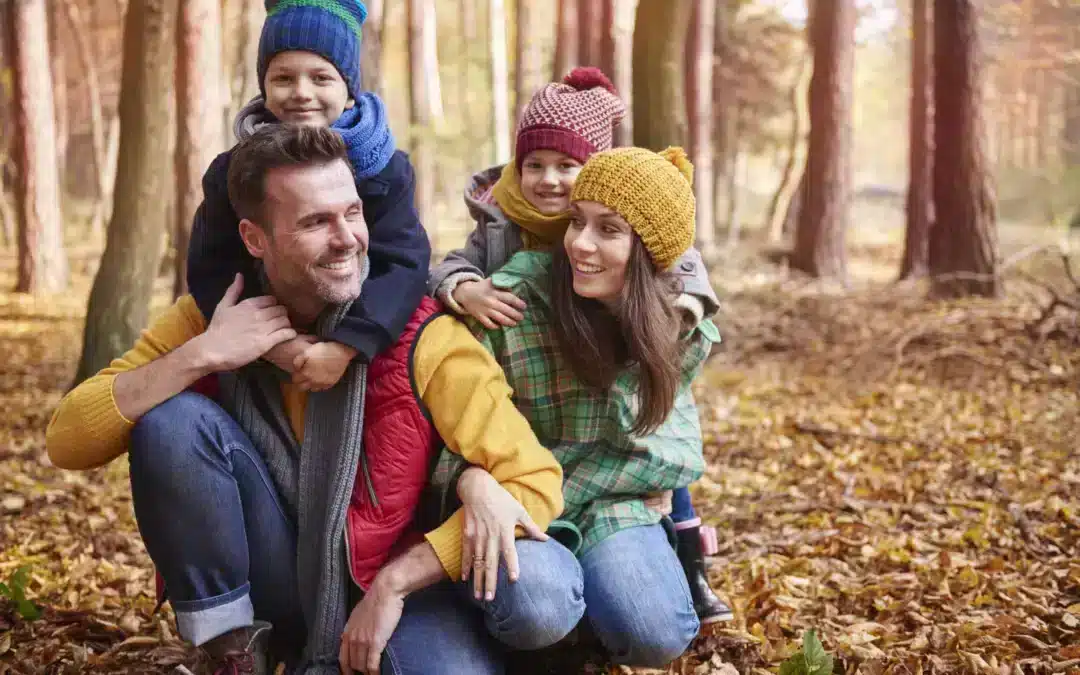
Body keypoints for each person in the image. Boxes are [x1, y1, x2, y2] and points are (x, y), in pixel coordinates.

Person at [46, 125, 583, 675]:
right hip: (277, 573)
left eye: (352, 213)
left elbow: (536, 481)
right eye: (314, 222)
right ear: (256, 240)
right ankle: (233, 652)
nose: (347, 238)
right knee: (171, 422)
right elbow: (67, 441)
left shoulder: (420, 335)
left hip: (392, 582)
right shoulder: (216, 317)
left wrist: (396, 583)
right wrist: (202, 355)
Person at [429, 67, 731, 624]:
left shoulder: (646, 233)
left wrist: (684, 310)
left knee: (654, 617)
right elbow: (451, 269)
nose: (548, 181)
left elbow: (683, 263)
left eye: (567, 167)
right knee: (536, 607)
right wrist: (464, 288)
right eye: (534, 165)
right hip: (526, 459)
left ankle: (683, 561)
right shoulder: (502, 230)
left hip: (615, 476)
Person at [187, 0, 431, 393]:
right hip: (264, 344)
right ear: (264, 88)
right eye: (284, 78)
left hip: (365, 344)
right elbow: (212, 266)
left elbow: (404, 263)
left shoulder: (386, 169)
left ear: (349, 91)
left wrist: (348, 345)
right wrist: (277, 345)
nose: (302, 93)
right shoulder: (229, 172)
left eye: (321, 78)